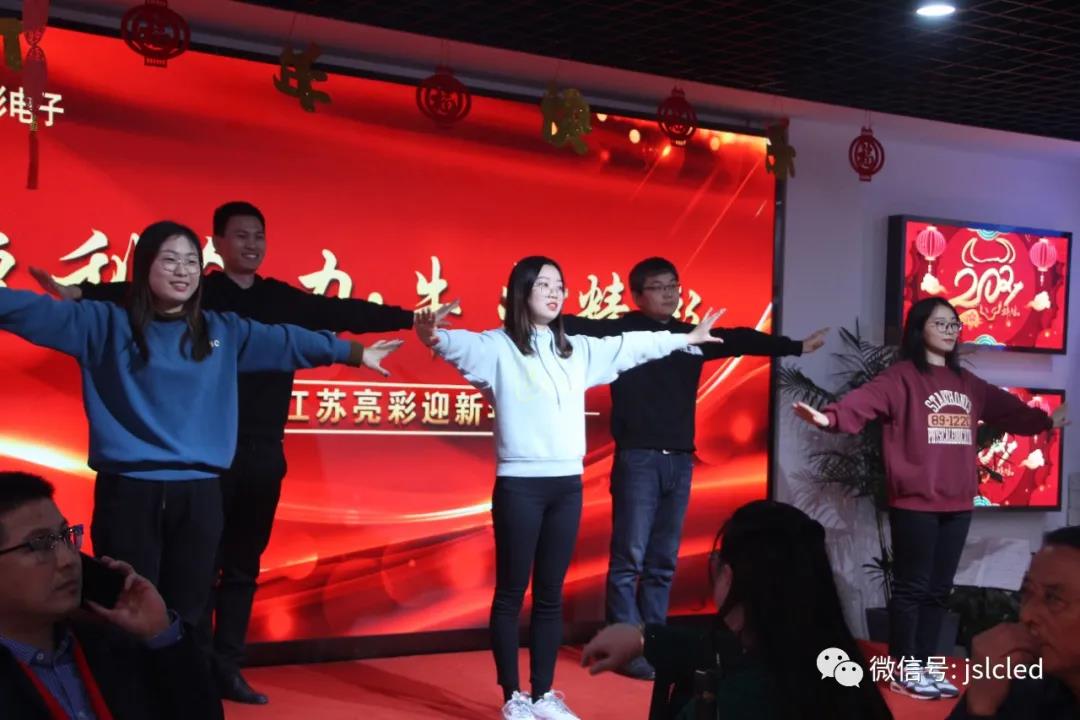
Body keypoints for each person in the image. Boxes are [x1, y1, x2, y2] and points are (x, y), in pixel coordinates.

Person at [33, 201, 416, 704]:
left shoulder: (258, 308)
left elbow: (315, 326)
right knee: (135, 591)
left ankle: (216, 676)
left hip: (253, 455)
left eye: (259, 235)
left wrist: (382, 336)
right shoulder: (174, 305)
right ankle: (128, 698)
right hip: (164, 477)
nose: (251, 244)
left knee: (225, 576)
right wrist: (80, 292)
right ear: (218, 243)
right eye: (240, 235)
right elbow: (128, 295)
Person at [414, 255, 723, 720]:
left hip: (566, 486)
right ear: (522, 291)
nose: (554, 292)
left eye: (559, 285)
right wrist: (430, 334)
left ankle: (542, 695)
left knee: (550, 595)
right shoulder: (497, 347)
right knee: (511, 593)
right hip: (520, 485)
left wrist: (686, 337)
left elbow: (633, 345)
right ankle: (513, 697)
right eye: (544, 284)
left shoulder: (575, 350)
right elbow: (454, 344)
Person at [562, 256, 827, 680]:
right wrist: (529, 311)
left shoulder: (692, 336)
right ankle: (624, 647)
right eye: (658, 286)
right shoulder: (621, 332)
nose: (669, 293)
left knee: (663, 561)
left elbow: (738, 339)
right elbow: (572, 325)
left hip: (681, 461)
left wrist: (795, 346)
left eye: (674, 285)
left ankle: (654, 643)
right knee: (629, 559)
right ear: (637, 295)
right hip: (638, 460)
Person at [792, 297, 1068, 700]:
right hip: (915, 502)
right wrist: (828, 418)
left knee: (939, 590)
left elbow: (1008, 409)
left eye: (954, 324)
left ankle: (924, 665)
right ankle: (905, 668)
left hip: (957, 503)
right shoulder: (901, 378)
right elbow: (862, 403)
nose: (950, 330)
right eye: (941, 323)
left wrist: (1044, 421)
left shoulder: (966, 382)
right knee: (912, 588)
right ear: (919, 329)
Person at [581, 500, 894, 720]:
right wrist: (644, 638)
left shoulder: (738, 700)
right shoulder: (841, 670)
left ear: (729, 576)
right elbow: (708, 646)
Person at [0, 471, 224, 720]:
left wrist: (160, 635)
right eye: (40, 544)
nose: (68, 560)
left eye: (66, 536)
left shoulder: (110, 645)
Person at [948, 525, 1080, 719]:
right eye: (1027, 592)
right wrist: (980, 706)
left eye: (1053, 599)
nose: (1026, 615)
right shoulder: (1022, 687)